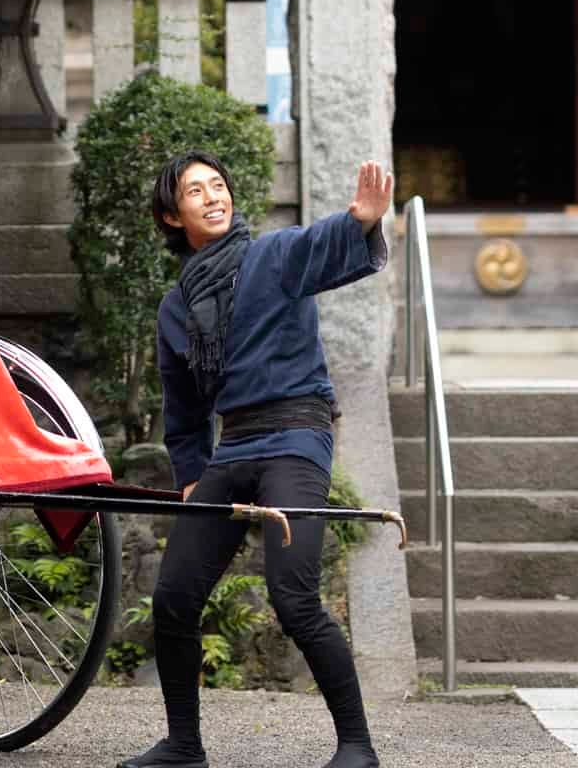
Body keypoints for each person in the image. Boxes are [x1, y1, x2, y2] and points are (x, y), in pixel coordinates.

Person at [121, 153, 394, 768]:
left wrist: (359, 223)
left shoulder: (270, 256)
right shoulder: (176, 307)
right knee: (173, 598)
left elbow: (318, 242)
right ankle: (183, 746)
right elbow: (184, 405)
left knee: (293, 597)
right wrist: (191, 474)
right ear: (172, 214)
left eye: (219, 186)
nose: (213, 197)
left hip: (297, 436)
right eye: (196, 191)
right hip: (234, 445)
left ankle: (357, 746)